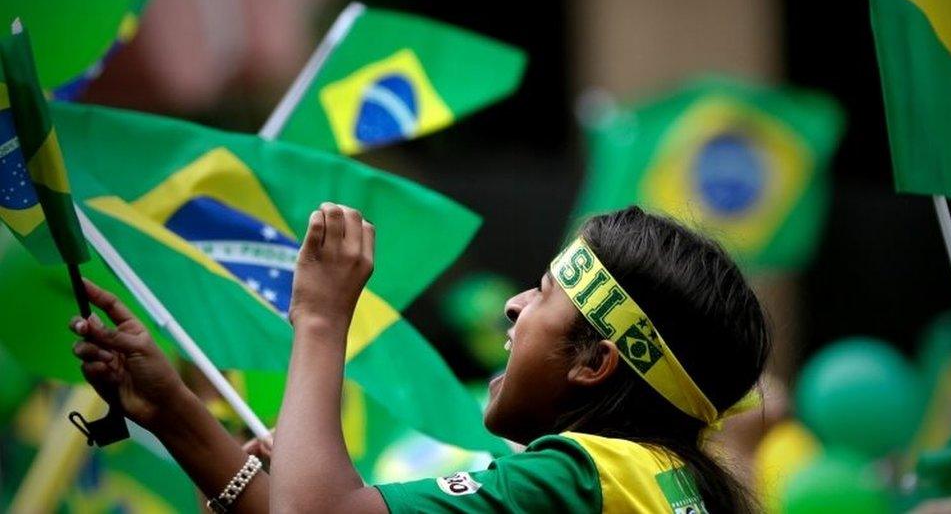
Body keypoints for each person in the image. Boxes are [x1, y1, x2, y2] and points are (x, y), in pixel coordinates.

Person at [70, 203, 770, 513]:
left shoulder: (578, 478)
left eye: (546, 293)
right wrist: (171, 410)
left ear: (594, 363)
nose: (514, 305)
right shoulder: (659, 478)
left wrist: (319, 318)